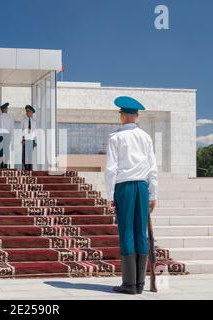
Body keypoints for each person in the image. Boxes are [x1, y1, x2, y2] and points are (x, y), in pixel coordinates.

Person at [105, 96, 158, 295]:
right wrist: (153, 193)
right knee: (140, 233)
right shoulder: (145, 137)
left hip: (125, 187)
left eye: (120, 114)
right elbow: (153, 167)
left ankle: (129, 284)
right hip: (142, 188)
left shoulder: (116, 137)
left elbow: (111, 169)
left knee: (126, 231)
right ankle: (140, 284)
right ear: (135, 117)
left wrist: (110, 195)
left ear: (124, 117)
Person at [0, 102, 15, 169]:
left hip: (0, 135)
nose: (7, 109)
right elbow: (12, 128)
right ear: (5, 109)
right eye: (6, 108)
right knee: (6, 150)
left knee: (1, 150)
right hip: (7, 135)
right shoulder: (10, 117)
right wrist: (11, 137)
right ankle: (6, 164)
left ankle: (1, 163)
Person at [21, 105, 37, 171]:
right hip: (25, 140)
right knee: (25, 156)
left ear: (32, 113)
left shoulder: (34, 121)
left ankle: (30, 169)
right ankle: (25, 169)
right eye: (27, 112)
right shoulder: (23, 120)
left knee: (30, 156)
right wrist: (22, 139)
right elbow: (21, 130)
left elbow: (35, 132)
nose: (27, 113)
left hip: (31, 140)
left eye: (29, 112)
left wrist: (35, 141)